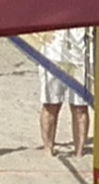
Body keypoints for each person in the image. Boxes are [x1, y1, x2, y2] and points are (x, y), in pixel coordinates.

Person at [37, 27, 93, 155]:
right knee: (51, 105)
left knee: (80, 108)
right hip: (53, 53)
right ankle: (48, 149)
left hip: (81, 55)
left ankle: (79, 152)